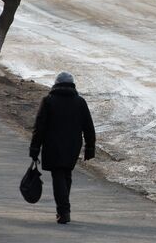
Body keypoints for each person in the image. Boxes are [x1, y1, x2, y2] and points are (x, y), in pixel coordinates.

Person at [29, 72, 96, 224]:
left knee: (58, 174)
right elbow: (89, 127)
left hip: (52, 145)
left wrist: (34, 149)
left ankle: (64, 211)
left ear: (55, 84)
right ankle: (63, 209)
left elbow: (39, 128)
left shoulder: (48, 101)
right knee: (66, 173)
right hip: (73, 145)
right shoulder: (80, 102)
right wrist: (90, 148)